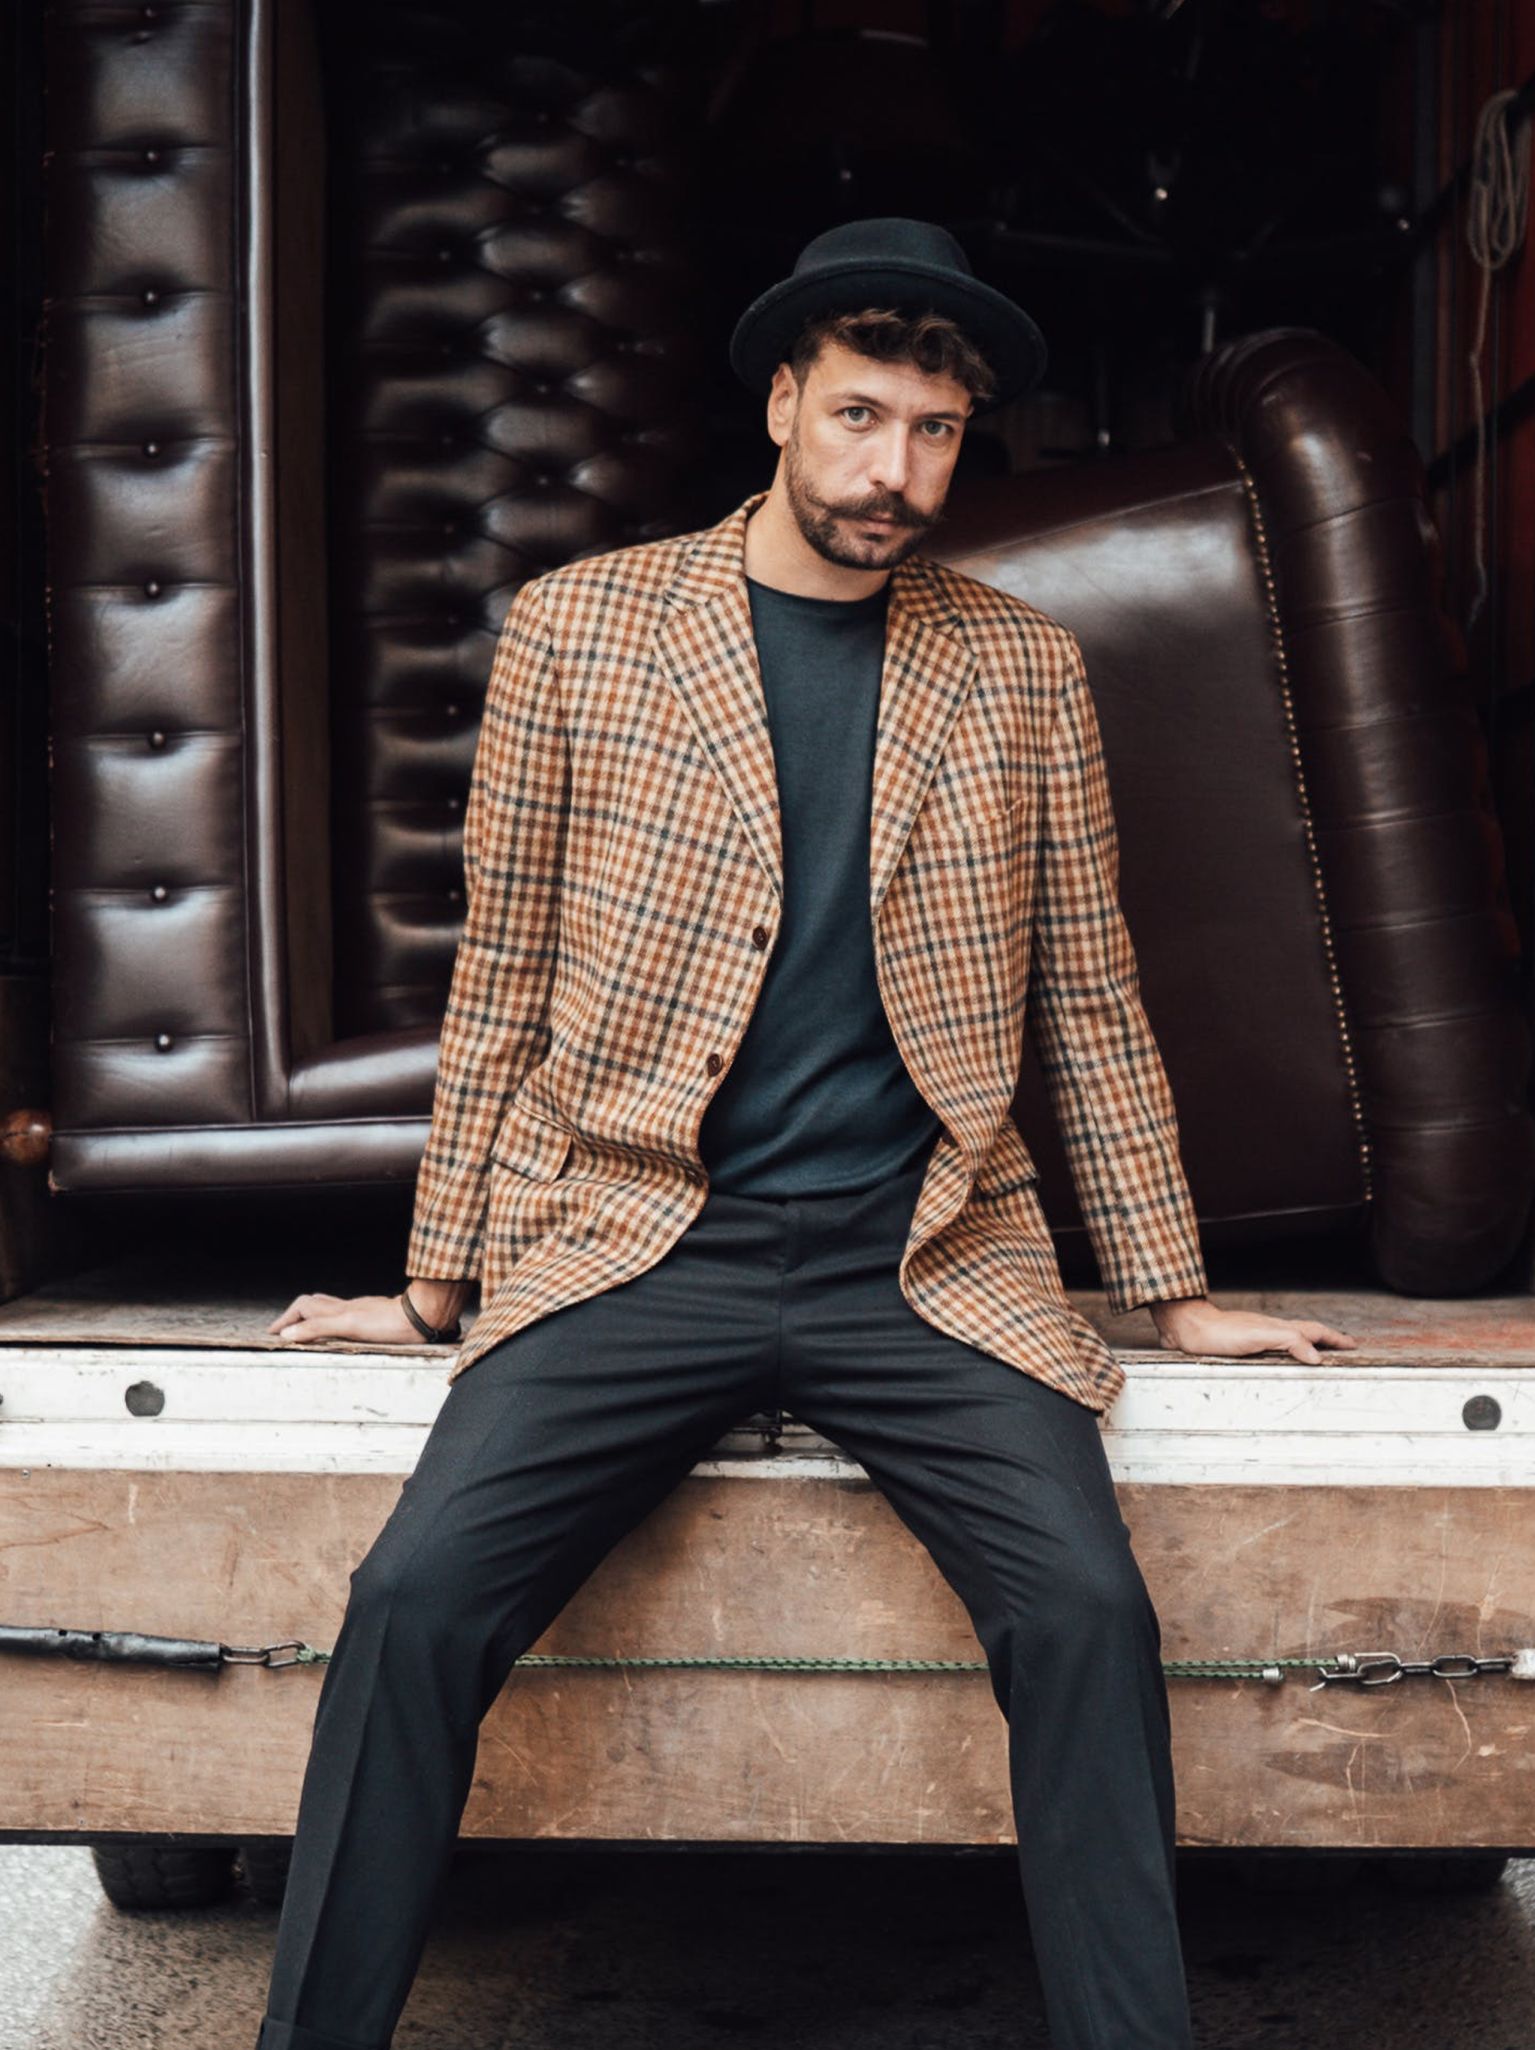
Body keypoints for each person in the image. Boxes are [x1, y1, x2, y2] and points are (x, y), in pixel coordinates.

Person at [257, 217, 1355, 2050]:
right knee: (414, 1595)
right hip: (642, 1236)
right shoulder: (584, 629)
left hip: (920, 1255)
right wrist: (433, 1283)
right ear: (780, 404)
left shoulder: (1022, 668)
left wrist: (1178, 1295)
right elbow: (503, 973)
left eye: (933, 431)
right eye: (858, 416)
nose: (891, 469)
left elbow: (1088, 994)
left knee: (1087, 1612)